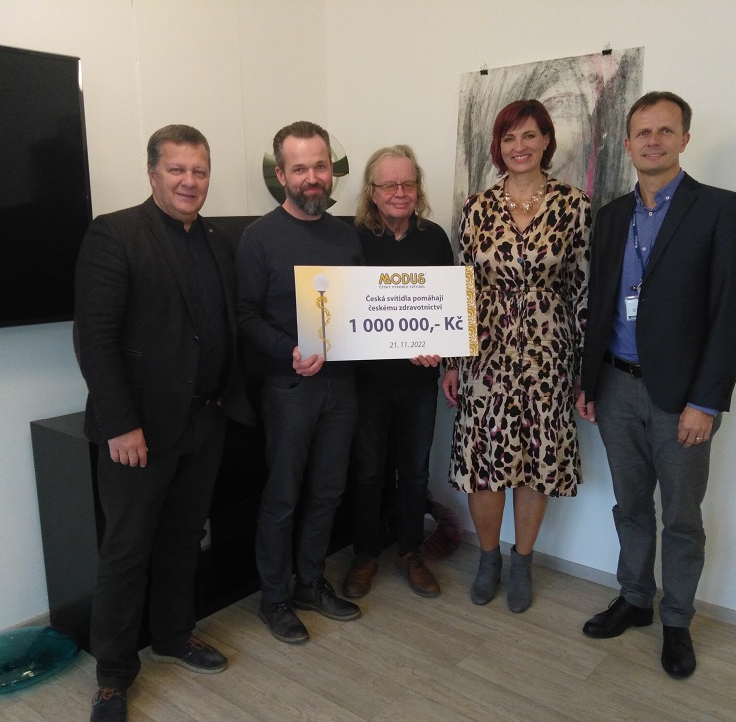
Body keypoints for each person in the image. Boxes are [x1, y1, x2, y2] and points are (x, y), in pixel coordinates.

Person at [74, 125, 255, 722]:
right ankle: (113, 674)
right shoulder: (114, 234)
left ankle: (175, 636)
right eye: (177, 170)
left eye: (199, 171)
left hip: (204, 421)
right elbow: (95, 339)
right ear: (153, 173)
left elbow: (222, 325)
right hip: (140, 433)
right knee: (126, 552)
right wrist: (121, 424)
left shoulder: (217, 240)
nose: (189, 181)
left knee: (183, 538)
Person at [576, 91, 736, 679]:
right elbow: (600, 302)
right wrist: (588, 382)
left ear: (684, 139)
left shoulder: (719, 209)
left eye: (665, 131)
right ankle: (634, 598)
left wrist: (706, 401)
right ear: (628, 144)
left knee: (680, 517)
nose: (652, 141)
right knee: (629, 505)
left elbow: (731, 312)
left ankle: (677, 620)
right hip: (616, 387)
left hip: (683, 399)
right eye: (642, 133)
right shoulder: (610, 217)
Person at [442, 100, 591, 613]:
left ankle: (522, 559)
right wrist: (453, 362)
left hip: (549, 355)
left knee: (537, 459)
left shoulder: (574, 205)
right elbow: (460, 289)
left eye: (529, 135)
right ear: (498, 147)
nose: (519, 146)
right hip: (485, 355)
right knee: (484, 461)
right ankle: (488, 559)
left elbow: (583, 289)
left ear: (546, 140)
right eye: (509, 138)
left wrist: (583, 369)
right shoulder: (476, 208)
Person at [237, 121, 363, 644]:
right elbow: (245, 316)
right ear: (282, 175)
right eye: (300, 168)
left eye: (320, 166)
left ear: (331, 169)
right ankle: (274, 598)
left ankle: (311, 583)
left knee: (329, 490)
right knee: (284, 496)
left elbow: (361, 309)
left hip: (343, 386)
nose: (312, 177)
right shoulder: (258, 237)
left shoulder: (346, 233)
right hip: (289, 388)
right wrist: (288, 350)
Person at [341, 146, 454, 600]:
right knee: (368, 472)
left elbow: (447, 307)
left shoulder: (434, 237)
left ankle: (410, 552)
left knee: (414, 472)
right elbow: (344, 311)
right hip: (366, 382)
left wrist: (439, 347)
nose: (400, 192)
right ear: (372, 191)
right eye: (389, 184)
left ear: (418, 187)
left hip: (418, 383)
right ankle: (365, 554)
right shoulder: (351, 239)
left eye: (408, 183)